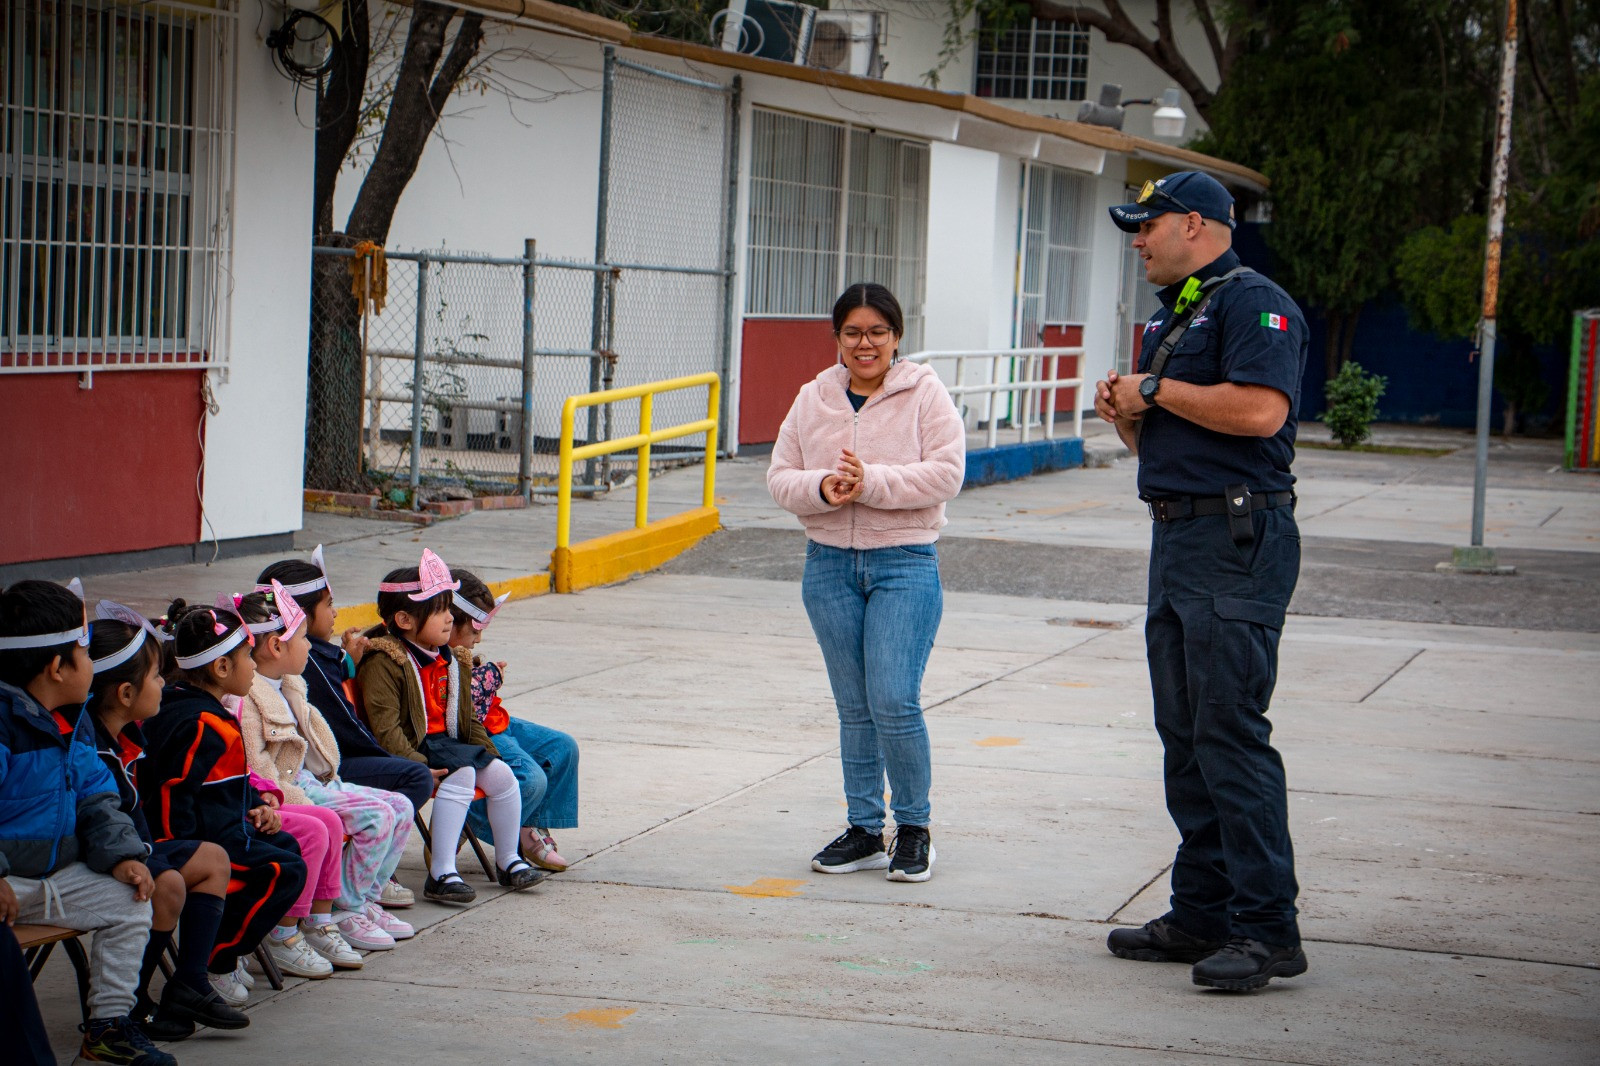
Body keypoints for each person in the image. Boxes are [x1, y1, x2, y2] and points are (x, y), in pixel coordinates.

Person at [1094, 170, 1309, 991]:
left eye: (1146, 227)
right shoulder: (1172, 318)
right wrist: (1130, 418)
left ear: (1194, 224)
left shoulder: (1256, 304)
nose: (1138, 242)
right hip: (1180, 534)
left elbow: (1261, 413)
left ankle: (1268, 930)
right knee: (1184, 735)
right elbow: (1163, 449)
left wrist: (1154, 387)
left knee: (1228, 732)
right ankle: (1203, 913)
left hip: (1237, 535)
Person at [767, 282, 965, 884]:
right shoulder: (814, 396)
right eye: (852, 332)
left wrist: (872, 481)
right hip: (827, 566)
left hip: (904, 562)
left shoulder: (924, 393)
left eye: (878, 331)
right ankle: (862, 828)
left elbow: (948, 473)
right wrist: (824, 488)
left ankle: (914, 829)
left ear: (897, 336)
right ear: (837, 339)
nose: (865, 343)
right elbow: (780, 475)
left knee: (893, 702)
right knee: (854, 708)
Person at [0, 579, 172, 1066]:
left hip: (55, 879)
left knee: (132, 898)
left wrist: (120, 856)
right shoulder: (3, 723)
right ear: (57, 668)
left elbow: (98, 797)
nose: (91, 664)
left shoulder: (72, 720)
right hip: (8, 882)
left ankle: (107, 1031)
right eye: (84, 652)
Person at [86, 609, 250, 1040]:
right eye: (157, 677)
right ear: (125, 693)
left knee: (214, 859)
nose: (164, 683)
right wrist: (136, 855)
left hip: (134, 847)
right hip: (101, 856)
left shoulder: (127, 738)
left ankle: (190, 981)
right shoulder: (91, 750)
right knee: (172, 884)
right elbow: (100, 821)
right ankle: (134, 999)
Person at [138, 602, 308, 1006]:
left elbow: (223, 784)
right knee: (285, 869)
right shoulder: (204, 724)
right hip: (192, 838)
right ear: (221, 669)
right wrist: (230, 831)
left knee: (286, 847)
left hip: (213, 826)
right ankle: (219, 958)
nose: (253, 666)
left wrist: (257, 803)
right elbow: (180, 797)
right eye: (247, 657)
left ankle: (215, 955)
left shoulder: (194, 706)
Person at [234, 583, 414, 952]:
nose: (309, 646)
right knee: (376, 816)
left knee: (401, 806)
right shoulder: (249, 698)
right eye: (303, 638)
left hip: (314, 781)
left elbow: (313, 741)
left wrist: (328, 777)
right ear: (276, 646)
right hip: (290, 789)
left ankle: (365, 899)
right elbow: (259, 765)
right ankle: (343, 910)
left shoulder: (290, 683)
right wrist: (297, 795)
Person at [355, 550, 541, 901]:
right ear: (405, 620)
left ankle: (509, 860)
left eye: (448, 610)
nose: (447, 619)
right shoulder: (385, 660)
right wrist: (421, 767)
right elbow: (387, 730)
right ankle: (441, 873)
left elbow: (467, 719)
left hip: (447, 744)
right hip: (416, 748)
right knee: (463, 774)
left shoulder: (450, 658)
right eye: (439, 611)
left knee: (501, 775)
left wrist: (489, 753)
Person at [257, 552, 432, 912]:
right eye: (330, 604)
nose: (336, 613)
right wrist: (401, 761)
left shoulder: (309, 660)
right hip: (310, 776)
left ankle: (365, 881)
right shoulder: (295, 669)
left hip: (316, 770)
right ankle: (357, 883)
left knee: (400, 796)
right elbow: (345, 729)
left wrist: (346, 660)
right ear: (302, 618)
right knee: (413, 779)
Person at [447, 570, 579, 872]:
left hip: (495, 720)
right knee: (532, 780)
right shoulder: (429, 650)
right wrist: (484, 680)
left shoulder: (455, 649)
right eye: (475, 629)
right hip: (475, 729)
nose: (479, 638)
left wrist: (482, 676)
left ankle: (531, 826)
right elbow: (451, 705)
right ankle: (466, 816)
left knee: (564, 747)